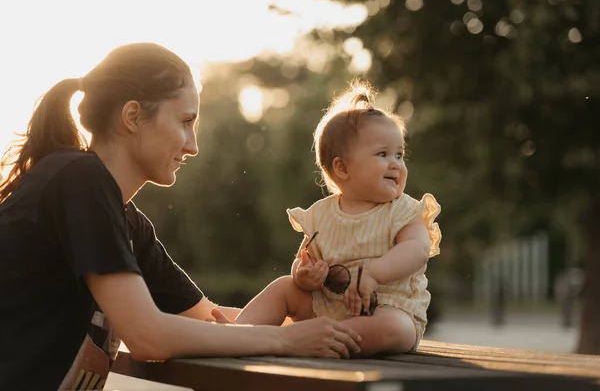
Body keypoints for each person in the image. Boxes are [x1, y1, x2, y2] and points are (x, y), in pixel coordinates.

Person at [0, 43, 361, 391]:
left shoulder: (124, 220)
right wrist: (285, 339)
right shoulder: (79, 180)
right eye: (186, 121)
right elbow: (147, 336)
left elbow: (214, 321)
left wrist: (340, 327)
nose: (193, 145)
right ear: (132, 117)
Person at [211, 81, 442, 356]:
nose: (396, 163)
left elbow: (417, 250)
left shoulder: (405, 210)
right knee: (284, 287)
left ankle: (294, 340)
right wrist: (304, 276)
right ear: (342, 168)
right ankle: (241, 333)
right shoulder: (322, 215)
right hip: (328, 309)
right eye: (383, 154)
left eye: (400, 154)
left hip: (388, 309)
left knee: (395, 329)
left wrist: (373, 274)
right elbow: (304, 260)